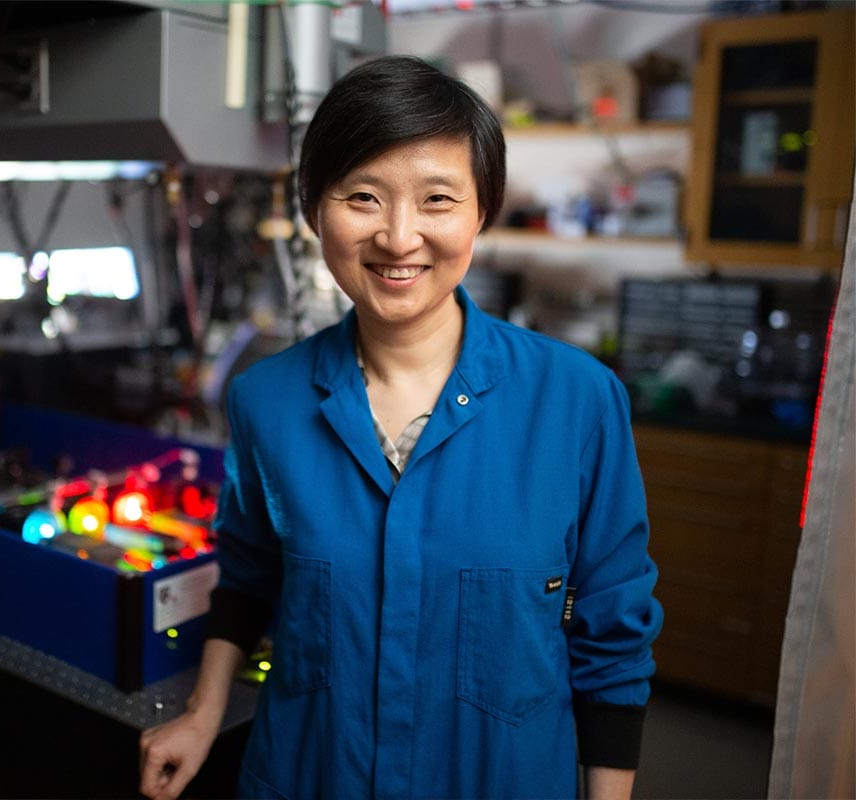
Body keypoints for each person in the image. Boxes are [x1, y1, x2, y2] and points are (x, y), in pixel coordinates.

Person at [139, 55, 663, 800]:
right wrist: (202, 712)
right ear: (315, 208)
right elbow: (249, 581)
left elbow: (615, 634)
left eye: (438, 199)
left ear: (482, 211)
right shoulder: (267, 401)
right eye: (363, 196)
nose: (398, 235)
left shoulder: (578, 401)